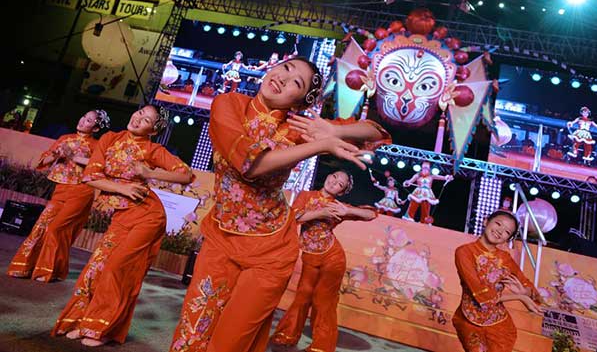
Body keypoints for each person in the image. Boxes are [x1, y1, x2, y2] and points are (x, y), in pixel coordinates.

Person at [169, 56, 390, 352]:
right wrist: (321, 144)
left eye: (296, 83)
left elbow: (379, 133)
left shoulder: (298, 126)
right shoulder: (229, 104)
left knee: (231, 341)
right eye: (286, 68)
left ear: (298, 103)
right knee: (193, 329)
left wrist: (335, 131)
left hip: (272, 251)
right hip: (222, 238)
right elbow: (251, 165)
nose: (284, 79)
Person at [51, 105, 193, 347]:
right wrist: (123, 188)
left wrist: (149, 173)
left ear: (154, 129)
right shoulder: (110, 138)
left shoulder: (153, 149)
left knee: (117, 269)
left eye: (146, 120)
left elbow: (186, 174)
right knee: (95, 268)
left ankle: (101, 329)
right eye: (139, 113)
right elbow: (92, 176)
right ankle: (81, 321)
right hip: (122, 217)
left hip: (148, 217)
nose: (138, 119)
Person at [270, 170, 377, 352]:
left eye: (340, 184)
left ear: (341, 192)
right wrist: (320, 212)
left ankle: (321, 347)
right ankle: (287, 335)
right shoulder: (307, 196)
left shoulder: (337, 206)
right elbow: (293, 217)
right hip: (311, 257)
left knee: (323, 301)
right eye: (334, 176)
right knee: (302, 296)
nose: (334, 182)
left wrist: (348, 210)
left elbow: (372, 214)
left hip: (332, 258)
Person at [7, 110, 110, 282]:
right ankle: (26, 266)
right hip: (61, 190)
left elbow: (100, 165)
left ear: (96, 128)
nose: (83, 120)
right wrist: (56, 155)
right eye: (83, 116)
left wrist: (74, 157)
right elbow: (43, 161)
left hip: (81, 191)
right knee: (41, 226)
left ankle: (48, 270)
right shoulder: (65, 138)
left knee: (57, 228)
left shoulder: (97, 145)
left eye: (89, 120)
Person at [452, 210, 543, 352]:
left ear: (508, 239)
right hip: (470, 322)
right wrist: (520, 297)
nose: (500, 231)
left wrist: (525, 291)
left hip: (500, 326)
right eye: (498, 223)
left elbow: (531, 290)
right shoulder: (464, 252)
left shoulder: (505, 258)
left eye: (507, 232)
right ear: (486, 221)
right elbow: (481, 294)